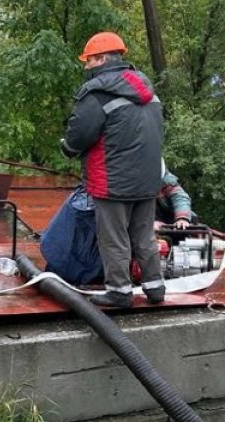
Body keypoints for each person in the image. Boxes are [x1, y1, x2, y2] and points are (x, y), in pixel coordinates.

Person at [60, 31, 165, 308]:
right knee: (143, 236)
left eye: (90, 60)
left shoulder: (97, 93)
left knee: (113, 238)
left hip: (113, 180)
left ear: (103, 58)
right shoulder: (147, 90)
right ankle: (155, 288)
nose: (86, 66)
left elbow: (79, 135)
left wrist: (68, 148)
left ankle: (119, 291)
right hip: (148, 180)